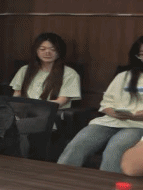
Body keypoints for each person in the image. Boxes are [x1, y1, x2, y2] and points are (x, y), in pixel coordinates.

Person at [57, 36, 143, 173]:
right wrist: (113, 112)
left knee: (115, 148)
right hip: (112, 120)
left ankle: (106, 184)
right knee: (78, 143)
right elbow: (106, 102)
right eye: (142, 53)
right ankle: (61, 177)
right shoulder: (124, 76)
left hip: (138, 125)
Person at [10, 33, 81, 108]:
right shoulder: (24, 70)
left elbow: (61, 101)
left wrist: (34, 107)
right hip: (24, 111)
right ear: (36, 51)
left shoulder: (70, 74)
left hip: (52, 112)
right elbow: (17, 96)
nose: (47, 52)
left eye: (53, 49)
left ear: (60, 51)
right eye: (42, 49)